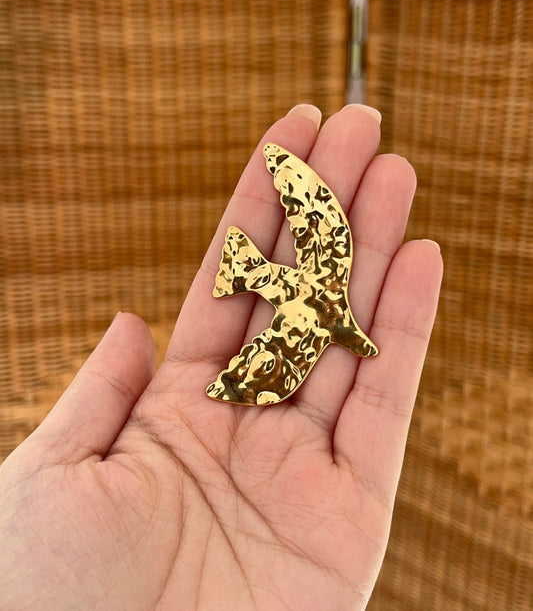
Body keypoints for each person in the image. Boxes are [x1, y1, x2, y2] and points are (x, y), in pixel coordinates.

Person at [0, 104, 442, 610]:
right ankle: (247, 271)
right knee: (326, 238)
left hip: (265, 290)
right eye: (355, 340)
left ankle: (246, 272)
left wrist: (234, 383)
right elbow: (321, 225)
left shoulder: (314, 321)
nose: (357, 342)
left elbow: (273, 370)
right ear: (347, 334)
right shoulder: (327, 285)